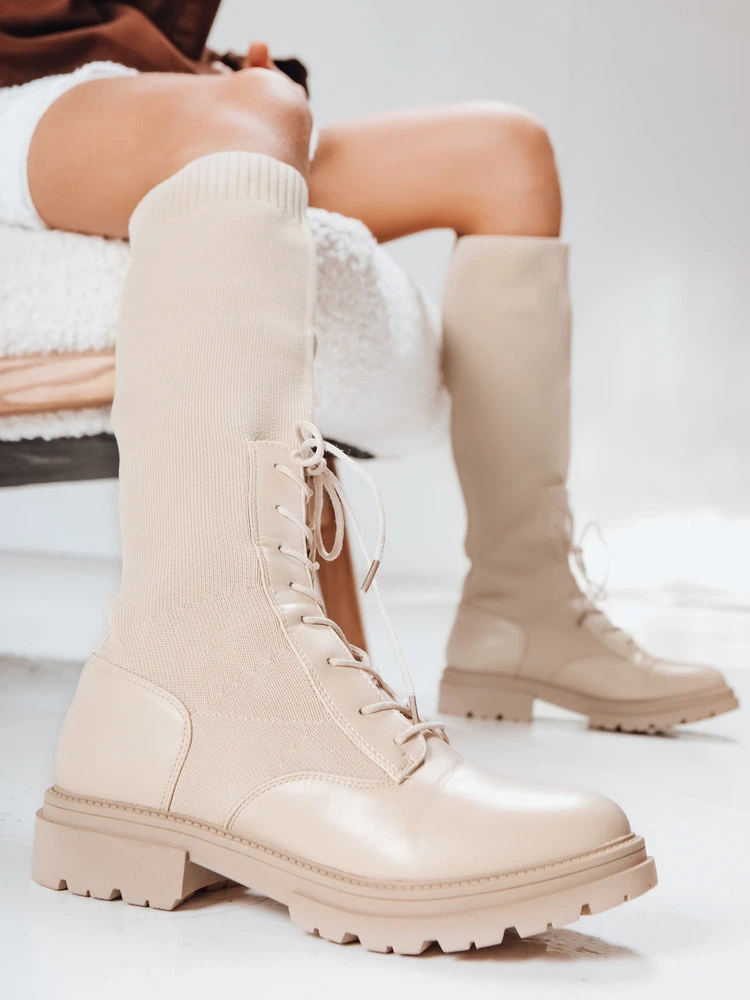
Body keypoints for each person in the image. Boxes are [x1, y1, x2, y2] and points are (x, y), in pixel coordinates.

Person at [0, 0, 730, 952]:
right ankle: (212, 671)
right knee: (250, 115)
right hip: (25, 88)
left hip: (159, 89)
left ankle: (524, 605)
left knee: (504, 152)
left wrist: (205, 66)